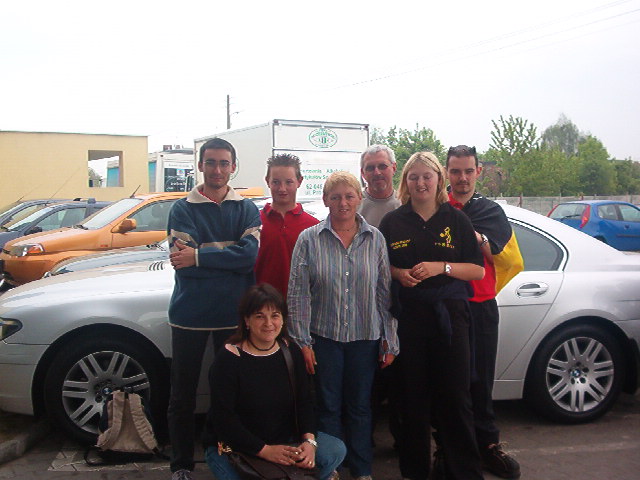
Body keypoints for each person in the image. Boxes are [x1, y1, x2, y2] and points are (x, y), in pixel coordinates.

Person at [378, 152, 485, 480]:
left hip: (450, 318)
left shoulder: (456, 220)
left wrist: (442, 267)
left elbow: (478, 271)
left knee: (455, 399)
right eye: (414, 177)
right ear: (405, 182)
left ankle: (462, 471)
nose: (421, 182)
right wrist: (398, 274)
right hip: (408, 319)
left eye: (427, 176)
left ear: (439, 179)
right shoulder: (393, 222)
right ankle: (415, 472)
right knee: (412, 401)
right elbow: (381, 268)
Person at [288, 171, 399, 480]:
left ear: (359, 199)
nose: (343, 203)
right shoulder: (309, 239)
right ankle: (331, 467)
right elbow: (298, 294)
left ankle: (362, 470)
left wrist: (390, 340)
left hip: (365, 339)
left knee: (361, 408)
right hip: (325, 339)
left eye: (349, 196)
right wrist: (303, 342)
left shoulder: (374, 238)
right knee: (328, 407)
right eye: (335, 197)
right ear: (325, 200)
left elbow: (384, 294)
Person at [166, 137, 261, 480]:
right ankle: (180, 466)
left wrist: (200, 255)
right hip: (189, 317)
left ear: (233, 167)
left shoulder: (246, 208)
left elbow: (249, 256)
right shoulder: (182, 208)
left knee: (230, 394)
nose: (217, 169)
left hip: (232, 317)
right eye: (211, 162)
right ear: (201, 165)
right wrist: (226, 258)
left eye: (224, 163)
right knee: (182, 395)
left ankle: (228, 458)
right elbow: (182, 261)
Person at [202, 283, 347, 480]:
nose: (269, 323)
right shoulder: (229, 358)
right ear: (247, 321)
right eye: (260, 316)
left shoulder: (291, 351)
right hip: (238, 447)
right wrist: (265, 451)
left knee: (335, 450)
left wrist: (309, 443)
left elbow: (304, 402)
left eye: (275, 315)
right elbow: (224, 420)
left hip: (284, 441)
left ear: (283, 319)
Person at [445, 145, 523, 479]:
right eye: (455, 171)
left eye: (468, 171)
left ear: (478, 172)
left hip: (480, 306)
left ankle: (488, 446)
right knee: (451, 385)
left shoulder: (490, 211)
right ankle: (449, 451)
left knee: (481, 382)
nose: (462, 178)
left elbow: (500, 254)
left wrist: (472, 235)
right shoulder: (434, 207)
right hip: (446, 307)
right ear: (447, 173)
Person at [255, 153, 319, 297]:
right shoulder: (253, 222)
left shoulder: (314, 227)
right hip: (261, 310)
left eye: (288, 182)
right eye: (276, 182)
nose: (282, 189)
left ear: (299, 181)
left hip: (300, 309)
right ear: (267, 181)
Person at [358, 144, 401, 228]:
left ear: (394, 168)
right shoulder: (353, 206)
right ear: (363, 173)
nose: (377, 172)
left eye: (382, 166)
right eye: (370, 168)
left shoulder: (405, 204)